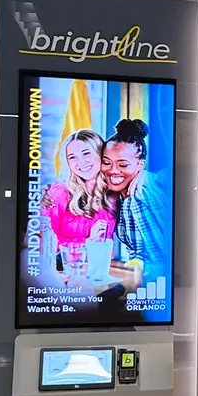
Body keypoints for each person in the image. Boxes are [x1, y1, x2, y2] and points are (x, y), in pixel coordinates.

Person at [103, 118, 170, 287]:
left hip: (153, 286)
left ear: (140, 165)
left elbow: (159, 261)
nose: (113, 170)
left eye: (123, 164)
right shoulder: (122, 194)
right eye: (106, 162)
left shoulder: (139, 196)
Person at [40, 129, 116, 250]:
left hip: (106, 261)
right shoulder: (59, 193)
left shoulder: (115, 192)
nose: (81, 162)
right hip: (66, 262)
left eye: (86, 153)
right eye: (72, 157)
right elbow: (39, 241)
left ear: (100, 153)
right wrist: (87, 243)